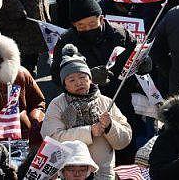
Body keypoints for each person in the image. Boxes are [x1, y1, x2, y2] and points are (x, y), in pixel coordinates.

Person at [42, 45, 132, 180]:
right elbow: (51, 139)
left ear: (90, 79)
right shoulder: (57, 104)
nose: (79, 83)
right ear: (64, 85)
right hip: (71, 174)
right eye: (72, 80)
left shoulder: (106, 102)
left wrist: (110, 126)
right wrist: (89, 132)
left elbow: (124, 140)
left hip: (103, 174)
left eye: (83, 77)